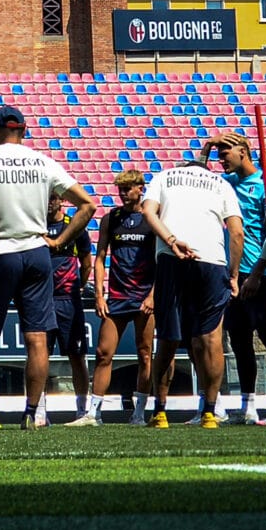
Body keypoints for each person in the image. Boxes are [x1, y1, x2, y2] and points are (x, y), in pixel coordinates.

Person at [0, 104, 95, 431]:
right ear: (25, 131)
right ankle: (32, 413)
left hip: (1, 250)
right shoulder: (43, 162)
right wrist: (59, 243)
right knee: (37, 338)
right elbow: (88, 204)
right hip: (37, 251)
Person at [144, 143, 245, 429]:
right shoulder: (221, 183)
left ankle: (160, 413)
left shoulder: (164, 176)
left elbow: (149, 213)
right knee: (210, 339)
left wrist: (172, 240)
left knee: (167, 338)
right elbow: (236, 232)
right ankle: (210, 412)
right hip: (211, 260)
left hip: (171, 256)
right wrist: (234, 275)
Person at [80, 168, 155, 425]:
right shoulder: (111, 218)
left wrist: (153, 295)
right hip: (117, 295)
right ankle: (94, 413)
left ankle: (139, 412)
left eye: (127, 189)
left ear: (140, 189)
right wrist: (99, 295)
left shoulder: (152, 218)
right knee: (103, 353)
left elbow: (161, 260)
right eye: (120, 190)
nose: (123, 194)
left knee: (144, 354)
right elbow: (100, 258)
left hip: (145, 296)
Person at [216, 134, 266, 425]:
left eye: (225, 151)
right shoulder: (224, 184)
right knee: (239, 342)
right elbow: (198, 178)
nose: (221, 157)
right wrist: (205, 149)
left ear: (244, 151)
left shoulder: (264, 185)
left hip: (261, 273)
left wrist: (255, 273)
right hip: (233, 274)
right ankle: (248, 404)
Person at [45, 187, 96, 427]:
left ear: (61, 200)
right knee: (39, 356)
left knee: (77, 356)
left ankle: (81, 409)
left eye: (52, 198)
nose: (48, 203)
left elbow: (87, 262)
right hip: (43, 300)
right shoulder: (36, 226)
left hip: (68, 300)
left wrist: (77, 286)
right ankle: (39, 410)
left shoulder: (73, 226)